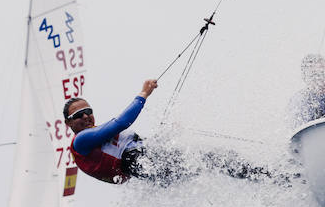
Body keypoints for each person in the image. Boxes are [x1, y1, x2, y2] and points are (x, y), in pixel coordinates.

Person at [66, 79, 280, 185]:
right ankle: (275, 176)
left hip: (146, 164)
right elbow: (122, 122)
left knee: (216, 161)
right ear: (69, 124)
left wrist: (167, 137)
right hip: (142, 163)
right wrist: (143, 94)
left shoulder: (100, 140)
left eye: (88, 112)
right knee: (216, 159)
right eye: (78, 115)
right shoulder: (82, 140)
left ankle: (270, 178)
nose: (85, 117)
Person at [290, 54, 325, 125]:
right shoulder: (298, 102)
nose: (321, 79)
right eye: (316, 75)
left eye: (324, 73)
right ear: (305, 78)